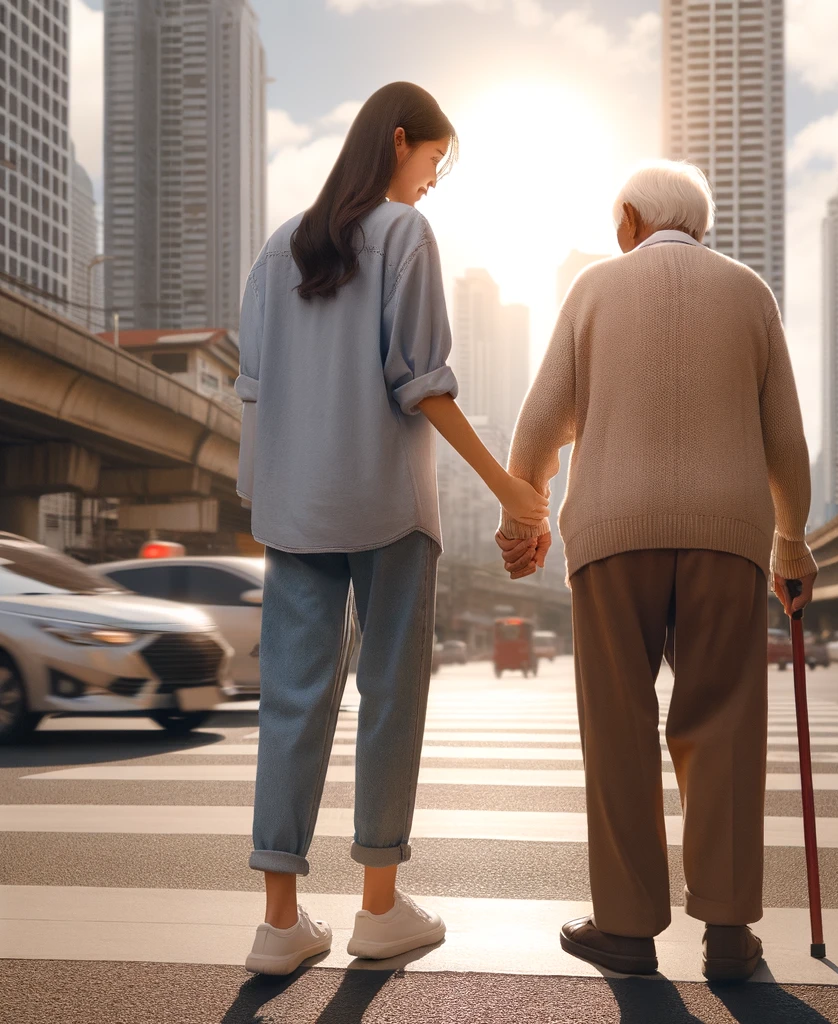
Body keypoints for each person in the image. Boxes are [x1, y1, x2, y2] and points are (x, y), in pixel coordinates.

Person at [236, 81, 548, 976]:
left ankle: (280, 922)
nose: (434, 183)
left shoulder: (277, 247)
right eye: (434, 162)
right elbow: (424, 382)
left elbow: (252, 393)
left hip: (295, 513)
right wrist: (511, 491)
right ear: (401, 140)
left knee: (292, 703)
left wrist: (269, 502)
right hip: (386, 507)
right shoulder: (404, 234)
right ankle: (377, 907)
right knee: (390, 696)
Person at [495, 160, 817, 982]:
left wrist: (524, 519)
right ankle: (731, 933)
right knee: (725, 726)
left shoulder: (595, 291)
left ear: (633, 218)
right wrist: (791, 543)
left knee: (619, 727)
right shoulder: (751, 295)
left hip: (611, 534)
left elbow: (536, 432)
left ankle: (628, 928)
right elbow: (785, 442)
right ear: (699, 225)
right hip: (728, 535)